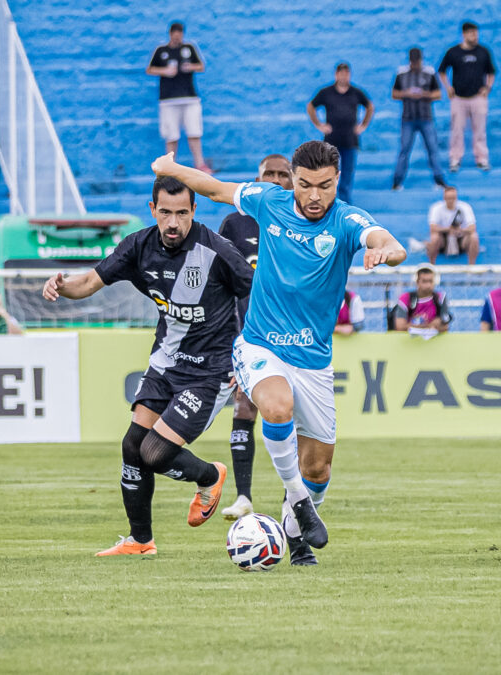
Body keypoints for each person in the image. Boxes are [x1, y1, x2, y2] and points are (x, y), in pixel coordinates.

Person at [151, 140, 406, 566]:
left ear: (336, 181)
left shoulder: (346, 220)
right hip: (259, 345)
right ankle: (300, 504)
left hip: (314, 361)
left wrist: (387, 253)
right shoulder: (269, 200)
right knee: (276, 405)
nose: (313, 196)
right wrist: (170, 168)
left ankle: (295, 528)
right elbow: (214, 189)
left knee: (319, 469)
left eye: (324, 186)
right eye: (304, 185)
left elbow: (386, 240)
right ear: (293, 179)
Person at [42, 176, 253, 556]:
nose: (173, 223)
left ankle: (210, 476)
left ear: (194, 211)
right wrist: (60, 285)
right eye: (166, 213)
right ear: (152, 209)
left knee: (154, 453)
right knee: (132, 446)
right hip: (165, 362)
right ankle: (141, 541)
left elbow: (256, 293)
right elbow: (90, 281)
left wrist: (252, 352)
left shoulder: (218, 251)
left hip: (210, 372)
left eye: (182, 213)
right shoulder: (138, 246)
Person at [216, 153, 293, 521]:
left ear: (294, 180)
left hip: (297, 337)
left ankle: (292, 497)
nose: (277, 180)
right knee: (245, 406)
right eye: (269, 174)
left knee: (294, 415)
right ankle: (243, 496)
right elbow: (221, 286)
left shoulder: (306, 221)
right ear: (257, 180)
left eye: (283, 174)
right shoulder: (235, 223)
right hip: (251, 336)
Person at [146, 22, 210, 172]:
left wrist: (190, 67)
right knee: (171, 134)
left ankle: (199, 163)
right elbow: (149, 69)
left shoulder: (189, 48)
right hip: (168, 100)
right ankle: (171, 166)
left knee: (194, 131)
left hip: (189, 98)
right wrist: (165, 71)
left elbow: (201, 66)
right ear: (170, 34)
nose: (177, 36)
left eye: (180, 33)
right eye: (174, 33)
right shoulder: (161, 50)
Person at [308, 62, 374, 204]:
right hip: (331, 141)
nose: (344, 76)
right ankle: (328, 202)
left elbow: (369, 106)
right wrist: (319, 125)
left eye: (346, 73)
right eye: (341, 73)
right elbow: (311, 106)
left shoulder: (356, 92)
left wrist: (363, 126)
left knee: (347, 175)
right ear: (336, 75)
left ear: (349, 75)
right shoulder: (326, 92)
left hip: (350, 141)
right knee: (328, 173)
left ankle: (345, 205)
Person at [439, 21, 496, 172]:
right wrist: (448, 88)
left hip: (478, 97)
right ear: (464, 34)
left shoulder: (483, 51)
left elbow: (491, 72)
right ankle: (455, 159)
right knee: (457, 130)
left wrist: (487, 88)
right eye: (471, 33)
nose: (475, 36)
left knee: (480, 130)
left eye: (476, 33)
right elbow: (442, 71)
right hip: (458, 98)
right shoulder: (453, 52)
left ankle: (482, 158)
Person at [392, 48, 448, 190]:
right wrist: (407, 93)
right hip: (408, 119)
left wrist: (424, 94)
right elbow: (394, 93)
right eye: (413, 61)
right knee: (404, 150)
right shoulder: (402, 73)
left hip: (426, 118)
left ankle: (439, 180)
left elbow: (438, 94)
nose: (415, 64)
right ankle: (397, 181)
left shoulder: (429, 73)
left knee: (432, 149)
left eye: (417, 61)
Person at [392, 264, 453, 334]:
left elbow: (445, 327)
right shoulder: (406, 298)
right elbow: (400, 327)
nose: (428, 285)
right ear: (417, 282)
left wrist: (413, 326)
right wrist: (428, 326)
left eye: (430, 281)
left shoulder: (440, 297)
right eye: (424, 281)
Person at [426, 185, 480, 265]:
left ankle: (471, 265)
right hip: (443, 240)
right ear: (444, 198)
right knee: (434, 237)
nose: (451, 200)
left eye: (453, 198)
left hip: (461, 238)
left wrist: (459, 230)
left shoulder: (465, 207)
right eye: (448, 198)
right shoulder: (436, 208)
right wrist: (449, 229)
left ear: (456, 197)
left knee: (474, 237)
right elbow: (432, 228)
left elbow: (472, 228)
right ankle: (431, 265)